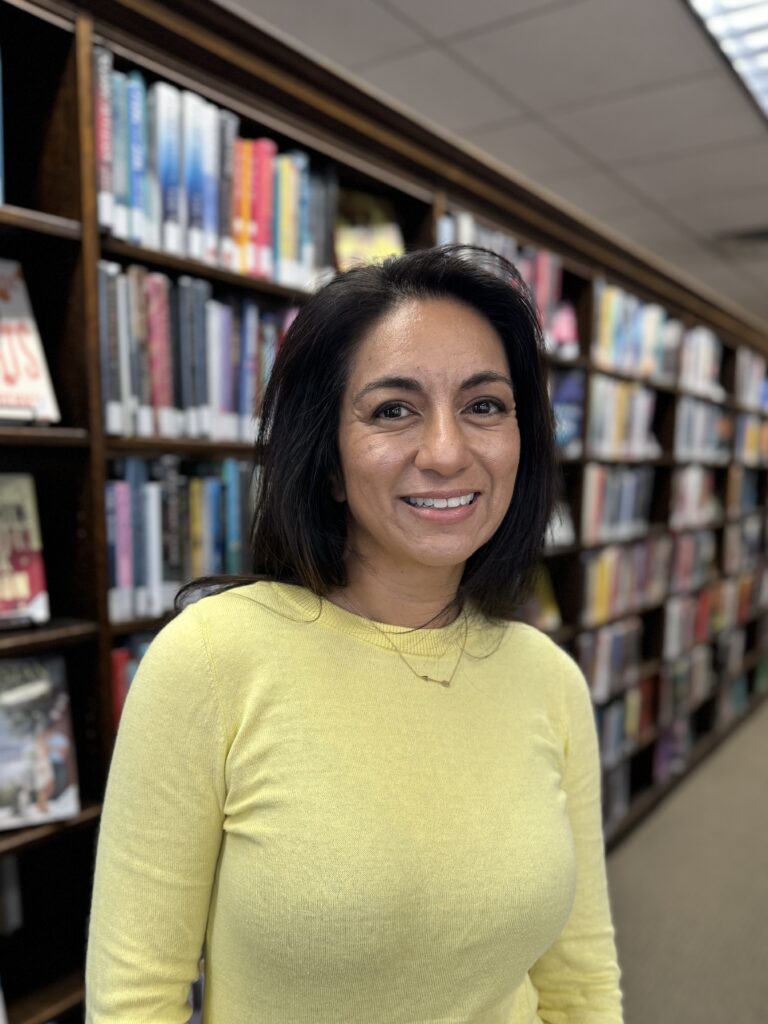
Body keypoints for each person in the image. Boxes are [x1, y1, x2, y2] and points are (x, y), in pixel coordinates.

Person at [85, 244, 624, 1023]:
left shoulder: (548, 678)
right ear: (329, 461)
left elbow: (580, 984)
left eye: (484, 406)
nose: (447, 452)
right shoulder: (210, 660)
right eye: (393, 410)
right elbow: (136, 1000)